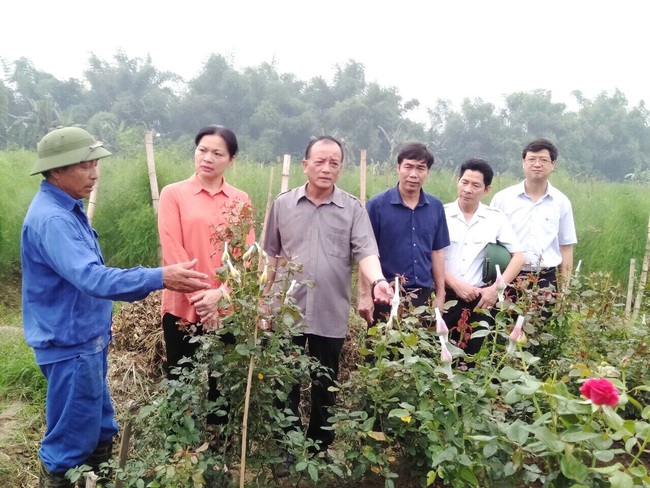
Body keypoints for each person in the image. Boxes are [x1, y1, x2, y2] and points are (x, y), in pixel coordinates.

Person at [21, 126, 211, 488]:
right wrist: (160, 276)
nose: (94, 174)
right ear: (56, 170)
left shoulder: (66, 207)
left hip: (85, 341)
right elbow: (94, 279)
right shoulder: (54, 219)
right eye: (84, 166)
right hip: (70, 346)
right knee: (68, 445)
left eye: (95, 164)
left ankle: (101, 478)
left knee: (100, 429)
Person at [263, 135, 392, 454]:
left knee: (325, 383)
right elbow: (271, 258)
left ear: (341, 168)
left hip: (330, 310)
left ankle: (319, 448)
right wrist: (262, 301)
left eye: (333, 162)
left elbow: (366, 253)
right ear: (305, 165)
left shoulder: (352, 209)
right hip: (286, 311)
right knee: (285, 381)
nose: (326, 168)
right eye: (319, 161)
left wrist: (378, 281)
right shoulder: (282, 205)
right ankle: (286, 448)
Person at [158, 126, 255, 426]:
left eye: (217, 153)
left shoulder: (240, 200)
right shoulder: (173, 194)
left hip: (225, 307)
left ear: (231, 159)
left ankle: (217, 450)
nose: (207, 158)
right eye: (202, 149)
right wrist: (201, 299)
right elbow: (172, 248)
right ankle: (179, 452)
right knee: (180, 379)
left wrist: (220, 295)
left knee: (222, 384)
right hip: (183, 306)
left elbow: (246, 255)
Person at [358, 142, 449, 326]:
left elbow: (437, 251)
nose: (413, 174)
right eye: (408, 167)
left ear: (427, 172)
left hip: (423, 297)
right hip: (385, 294)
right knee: (381, 350)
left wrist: (440, 294)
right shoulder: (377, 206)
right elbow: (366, 253)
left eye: (420, 168)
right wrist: (365, 295)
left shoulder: (436, 207)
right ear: (398, 167)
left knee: (420, 351)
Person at [444, 159, 525, 354]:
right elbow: (429, 256)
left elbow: (519, 257)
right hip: (446, 295)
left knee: (474, 355)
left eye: (475, 185)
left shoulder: (495, 218)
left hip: (480, 299)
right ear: (458, 181)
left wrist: (495, 288)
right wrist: (454, 284)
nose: (468, 189)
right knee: (440, 352)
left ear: (486, 190)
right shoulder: (440, 213)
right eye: (464, 182)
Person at [490, 139, 577, 294]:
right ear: (523, 162)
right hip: (508, 276)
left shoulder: (561, 202)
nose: (537, 164)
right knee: (504, 317)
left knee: (543, 319)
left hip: (545, 280)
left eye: (543, 160)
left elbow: (566, 247)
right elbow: (489, 242)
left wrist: (564, 290)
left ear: (553, 164)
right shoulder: (502, 199)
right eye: (532, 159)